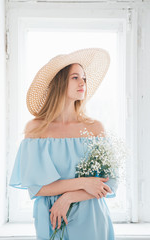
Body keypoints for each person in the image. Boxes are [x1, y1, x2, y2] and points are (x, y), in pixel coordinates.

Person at [9, 48, 118, 240]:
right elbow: (36, 187)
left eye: (84, 77)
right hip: (51, 216)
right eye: (75, 77)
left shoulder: (95, 128)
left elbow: (111, 183)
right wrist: (83, 183)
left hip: (91, 218)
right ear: (59, 83)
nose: (83, 82)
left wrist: (69, 197)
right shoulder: (35, 129)